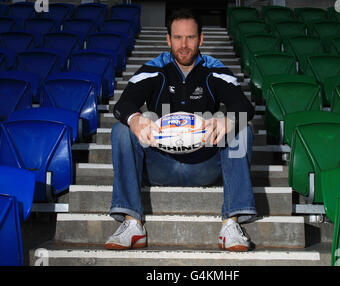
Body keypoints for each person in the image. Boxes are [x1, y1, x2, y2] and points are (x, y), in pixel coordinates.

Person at [105, 9, 257, 252]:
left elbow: (244, 106)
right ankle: (133, 223)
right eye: (177, 38)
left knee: (241, 129)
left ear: (201, 39)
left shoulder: (214, 68)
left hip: (203, 165)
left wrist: (229, 120)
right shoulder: (153, 68)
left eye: (190, 38)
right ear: (168, 39)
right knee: (121, 130)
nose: (184, 45)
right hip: (159, 164)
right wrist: (135, 120)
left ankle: (231, 223)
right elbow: (124, 105)